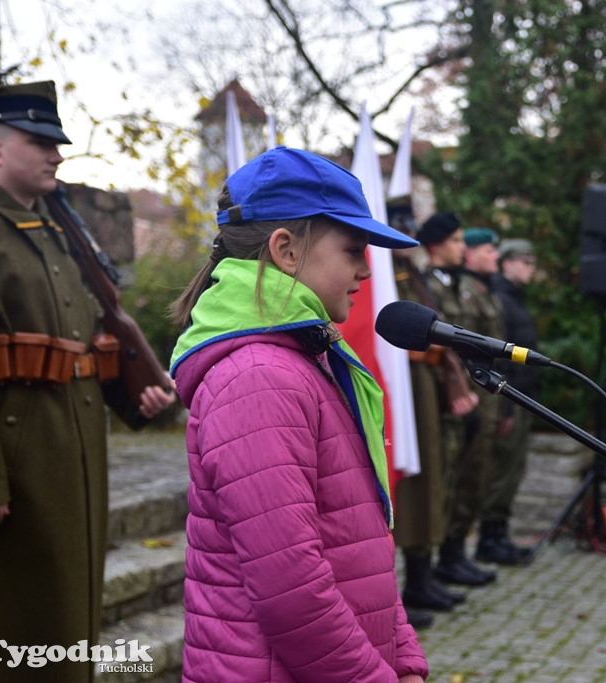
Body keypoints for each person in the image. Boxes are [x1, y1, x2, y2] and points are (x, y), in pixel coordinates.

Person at [168, 147, 428, 682]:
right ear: (286, 251)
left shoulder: (303, 360)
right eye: (354, 250)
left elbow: (362, 548)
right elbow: (293, 589)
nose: (365, 270)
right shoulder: (257, 379)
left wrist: (404, 660)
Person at [0, 81, 175, 682]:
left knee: (66, 623)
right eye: (39, 142)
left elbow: (81, 337)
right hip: (14, 462)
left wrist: (132, 393)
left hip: (70, 454)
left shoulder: (54, 229)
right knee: (13, 631)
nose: (57, 154)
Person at [391, 219, 476, 619]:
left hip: (426, 381)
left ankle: (424, 576)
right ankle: (417, 579)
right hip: (406, 380)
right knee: (418, 479)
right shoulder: (395, 274)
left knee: (436, 475)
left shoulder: (414, 274)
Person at [417, 213, 496, 586]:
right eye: (455, 240)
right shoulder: (423, 287)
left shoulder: (464, 285)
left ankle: (452, 553)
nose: (462, 248)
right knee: (442, 479)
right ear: (435, 246)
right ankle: (429, 566)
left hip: (471, 393)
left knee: (467, 478)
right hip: (443, 395)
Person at [477, 238, 540, 565]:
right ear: (507, 263)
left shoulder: (512, 299)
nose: (531, 268)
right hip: (510, 398)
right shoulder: (501, 299)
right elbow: (500, 360)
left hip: (522, 398)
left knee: (512, 469)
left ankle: (498, 534)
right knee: (503, 470)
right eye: (525, 261)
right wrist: (506, 406)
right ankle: (490, 538)